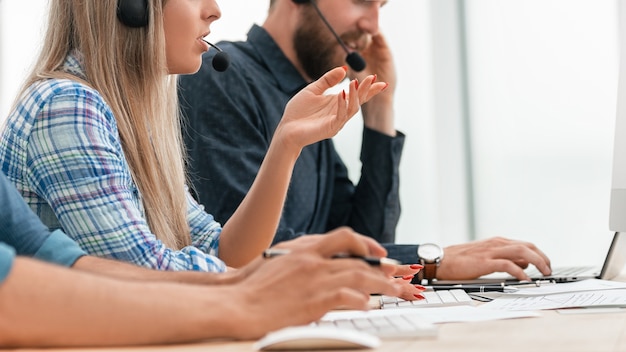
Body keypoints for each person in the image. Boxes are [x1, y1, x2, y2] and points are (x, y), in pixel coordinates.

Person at [0, 0, 407, 278]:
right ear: (133, 6)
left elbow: (225, 250)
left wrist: (286, 143)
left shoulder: (131, 121)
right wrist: (288, 272)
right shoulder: (67, 106)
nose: (215, 10)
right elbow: (145, 273)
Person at [178, 0, 553, 282]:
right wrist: (430, 261)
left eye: (381, 6)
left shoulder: (301, 94)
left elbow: (364, 240)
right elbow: (258, 255)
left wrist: (380, 112)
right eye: (360, 0)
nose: (373, 25)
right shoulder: (221, 78)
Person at [0, 170, 404, 347]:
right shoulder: (67, 102)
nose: (214, 10)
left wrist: (236, 283)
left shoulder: (144, 121)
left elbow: (60, 260)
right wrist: (243, 299)